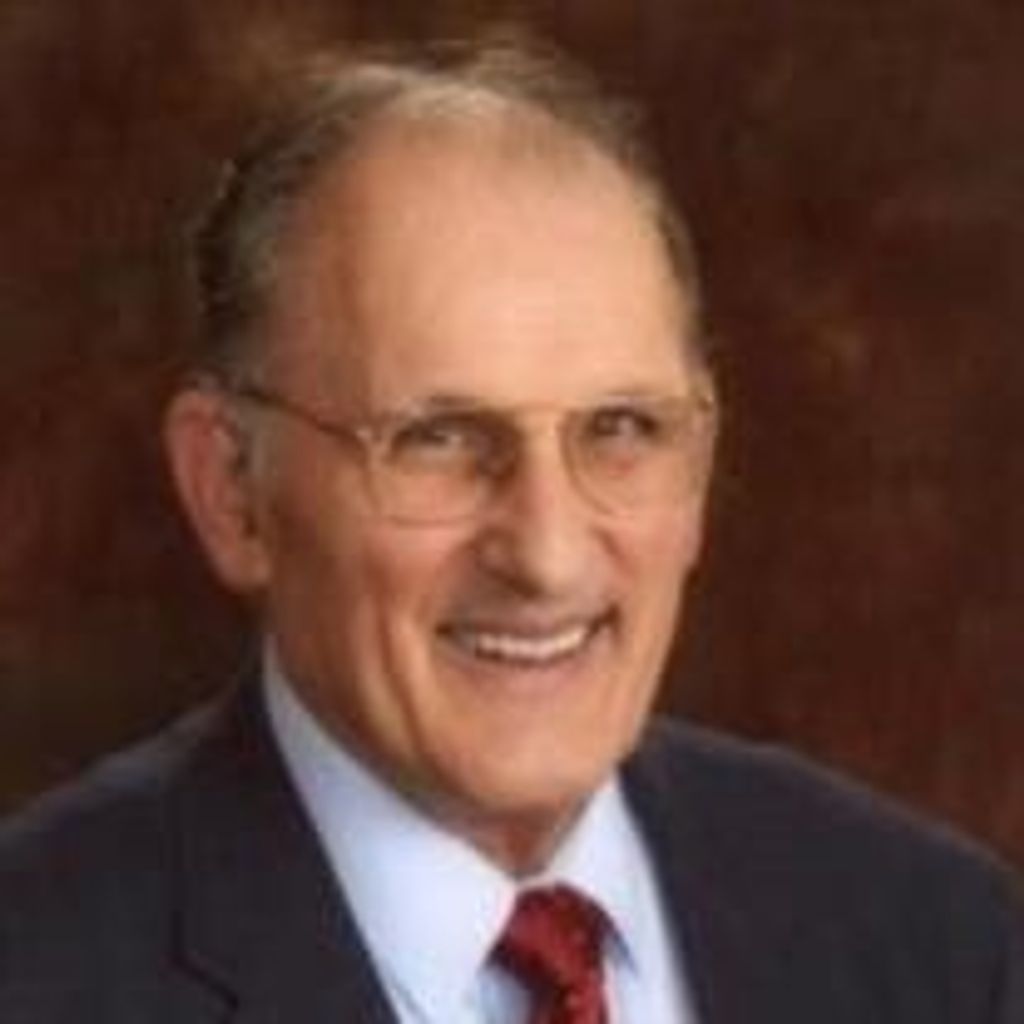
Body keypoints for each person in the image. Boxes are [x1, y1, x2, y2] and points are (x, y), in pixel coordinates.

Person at [1, 36, 1021, 1024]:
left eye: (620, 430)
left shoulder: (940, 947)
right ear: (231, 488)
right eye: (438, 439)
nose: (547, 554)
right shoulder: (36, 974)